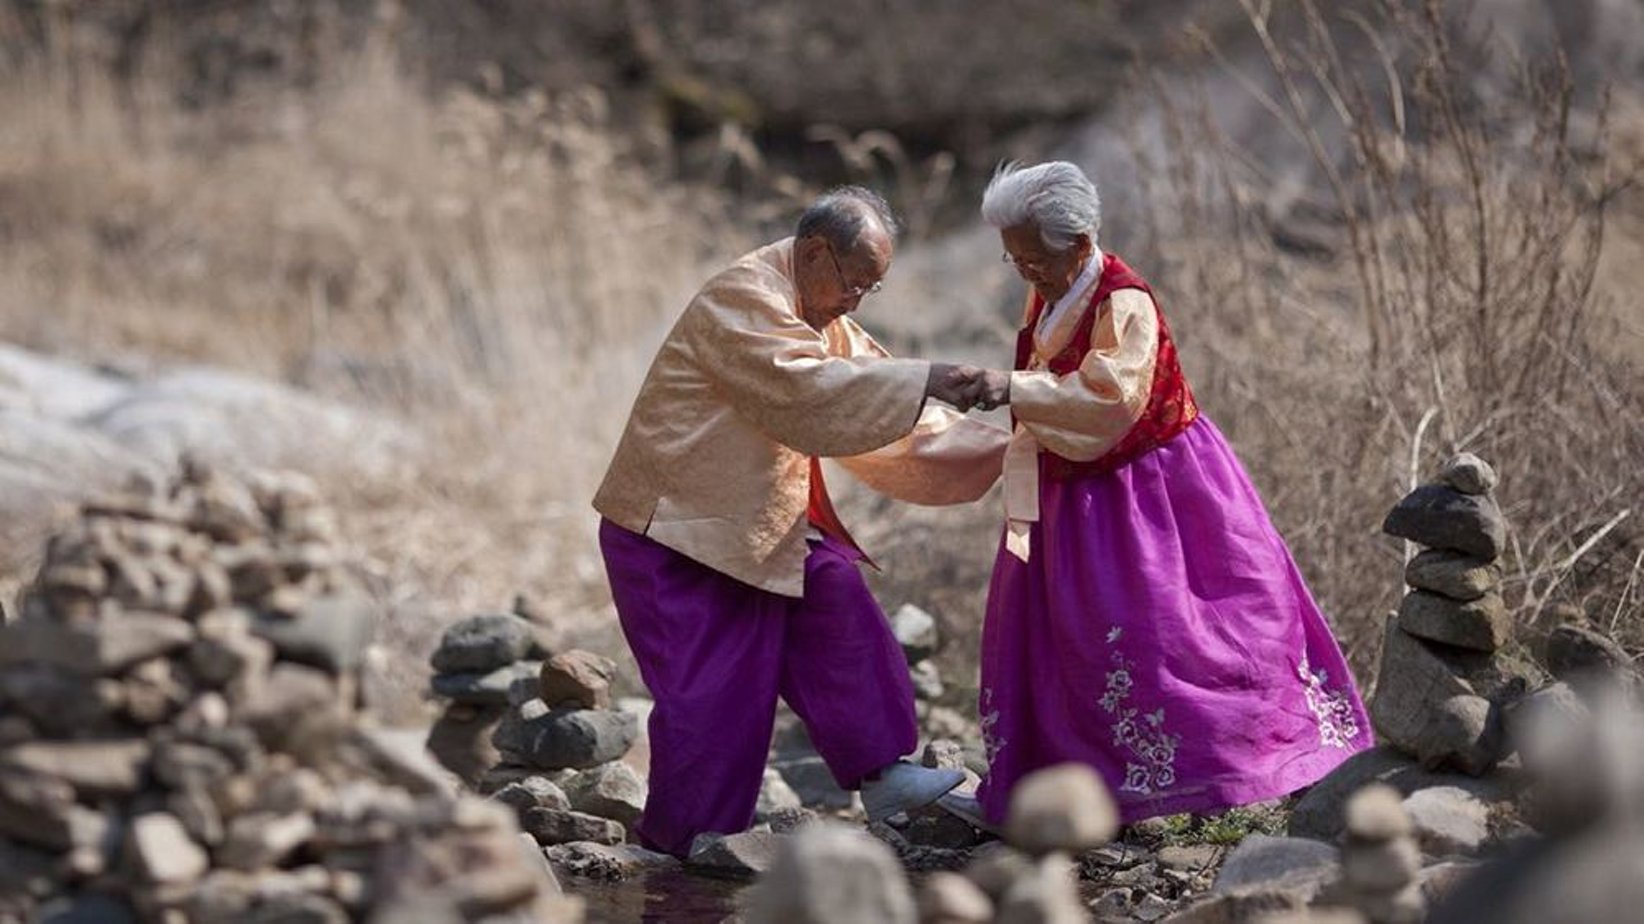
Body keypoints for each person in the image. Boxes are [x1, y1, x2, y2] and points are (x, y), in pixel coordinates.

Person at [945, 162, 1372, 828]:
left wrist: (1013, 388)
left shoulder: (1124, 300)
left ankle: (1236, 767)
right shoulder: (1052, 288)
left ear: (1080, 245)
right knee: (1072, 640)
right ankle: (1088, 786)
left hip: (1152, 490)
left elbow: (1112, 396)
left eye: (1031, 259)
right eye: (1014, 259)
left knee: (1176, 632)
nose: (1021, 271)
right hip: (1072, 489)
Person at [592, 187, 1009, 857]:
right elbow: (810, 394)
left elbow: (875, 394)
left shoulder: (816, 306)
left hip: (752, 530)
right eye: (855, 284)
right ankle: (682, 861)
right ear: (816, 253)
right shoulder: (745, 297)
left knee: (834, 590)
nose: (857, 302)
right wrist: (927, 376)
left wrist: (1004, 449)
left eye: (869, 290)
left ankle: (885, 773)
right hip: (672, 536)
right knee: (713, 707)